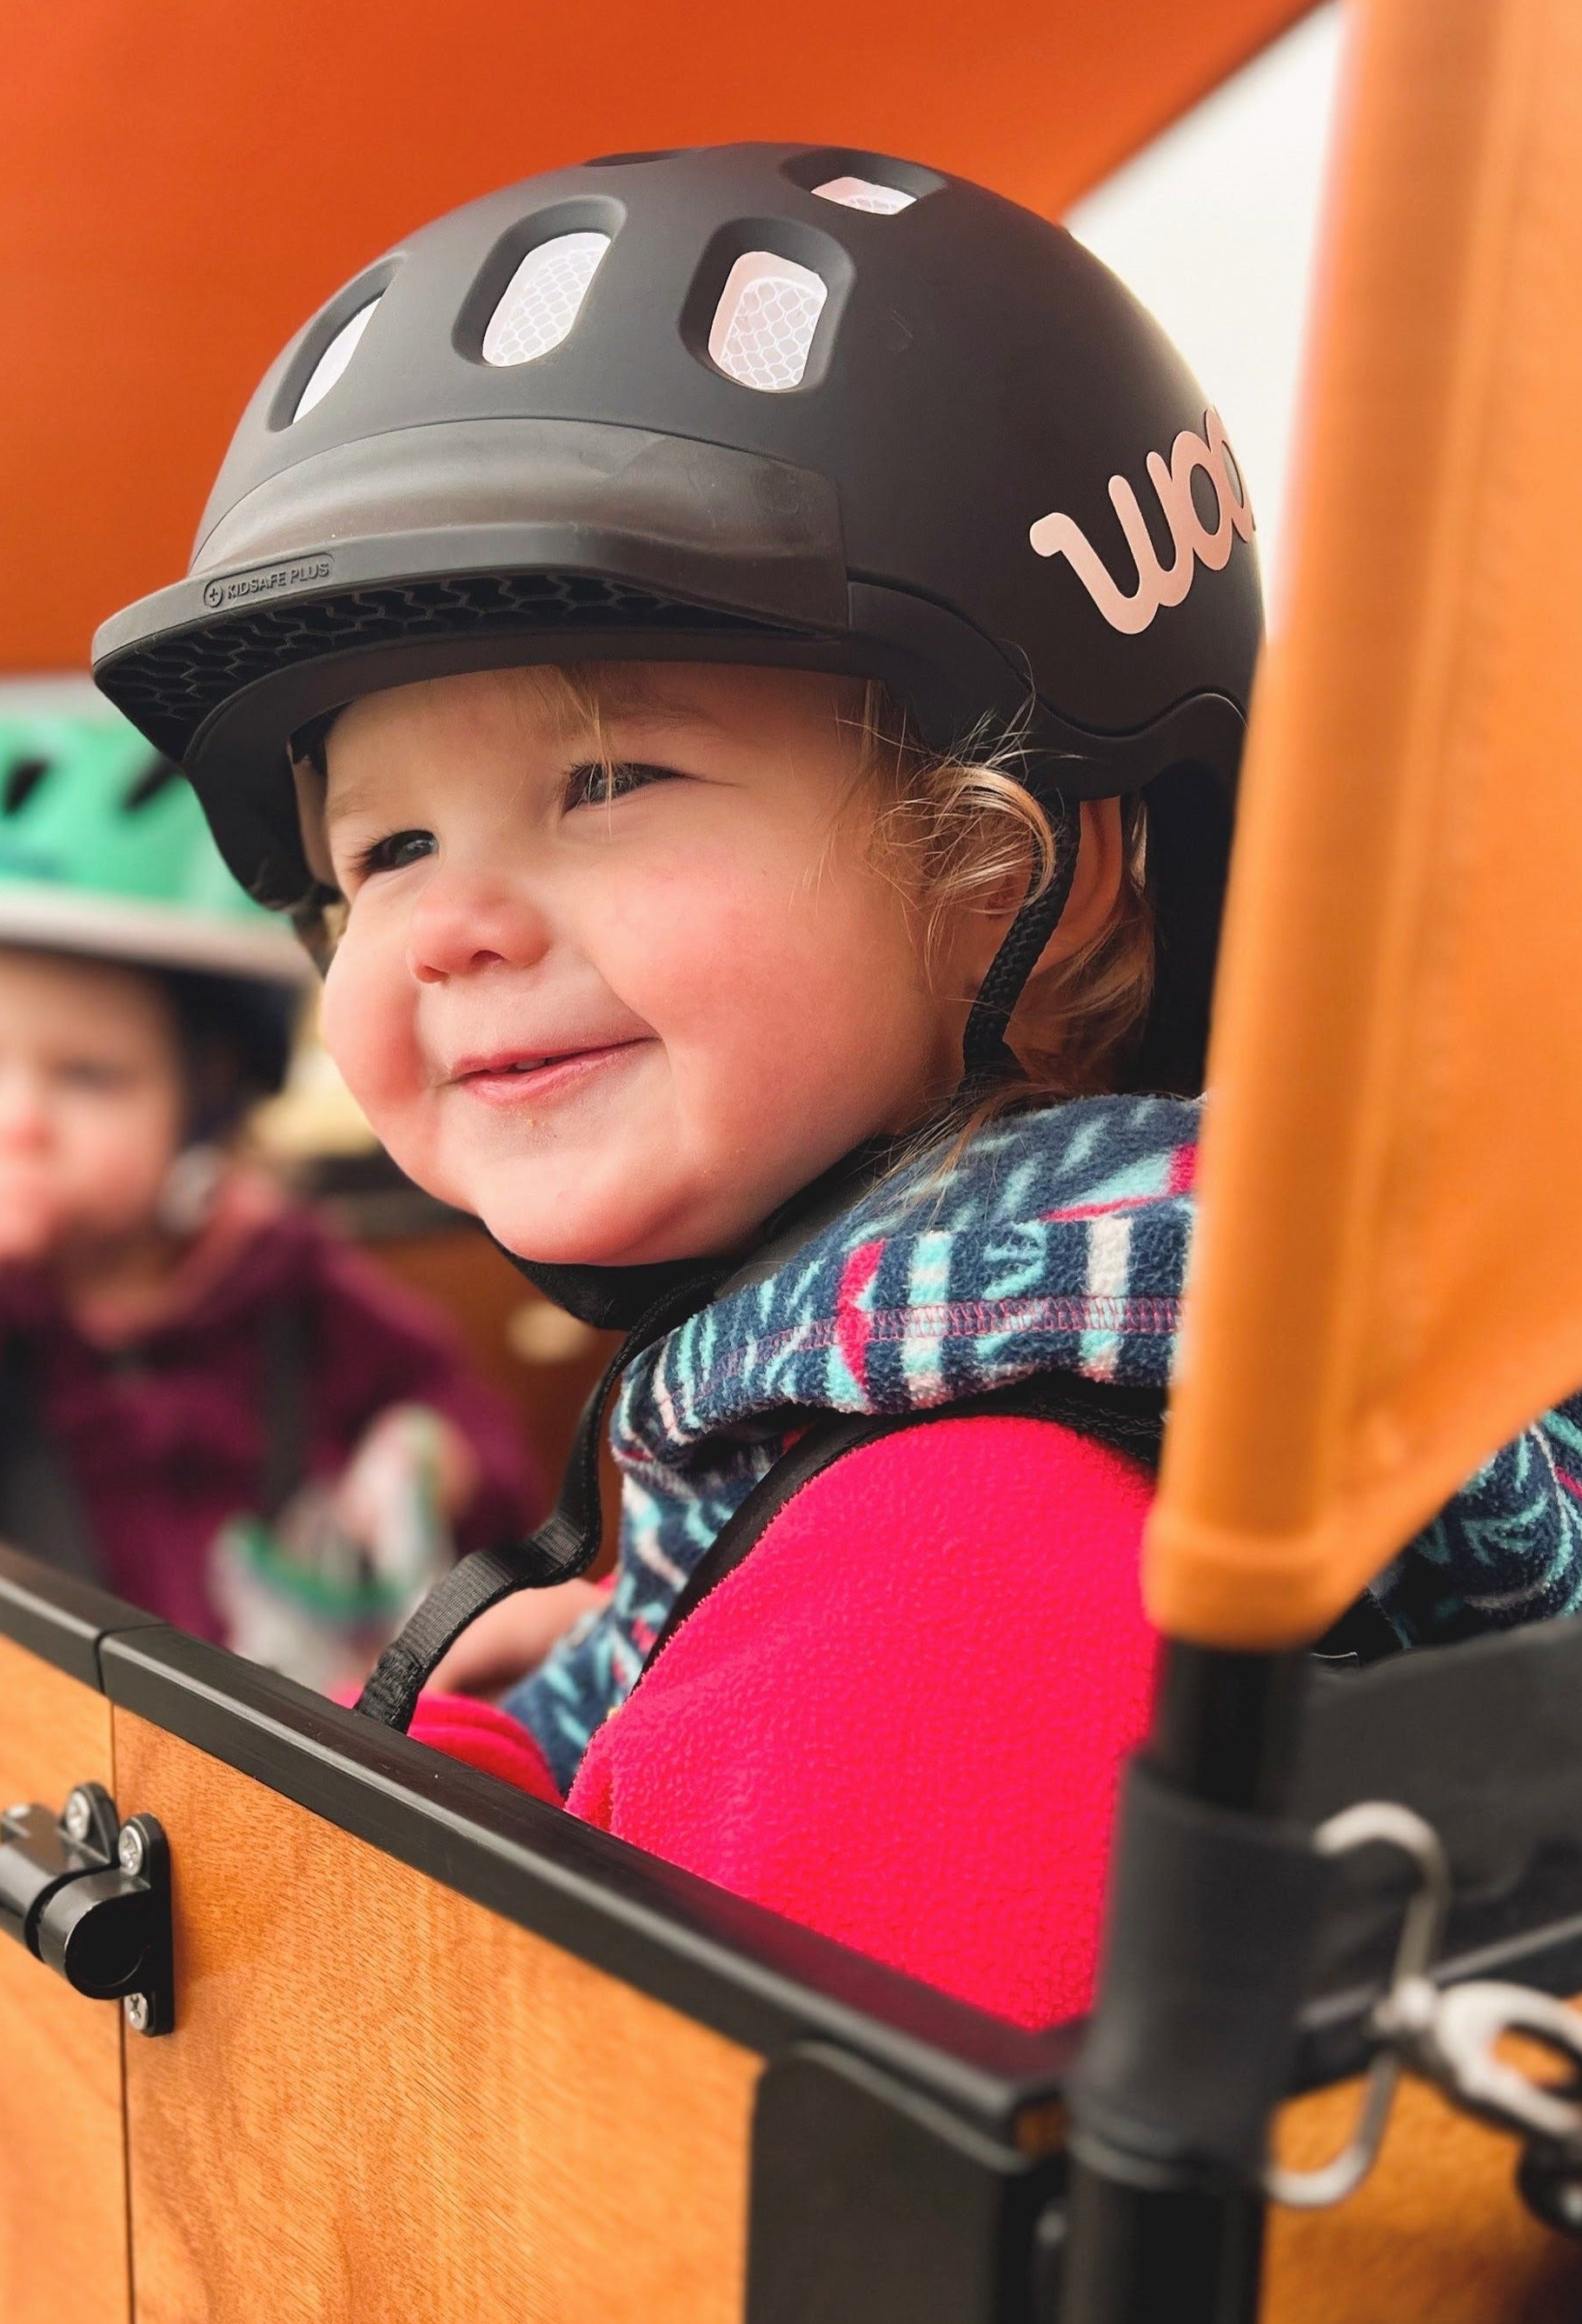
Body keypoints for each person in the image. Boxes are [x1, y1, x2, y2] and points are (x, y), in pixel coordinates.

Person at [90, 145, 1582, 2027]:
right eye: (382, 848)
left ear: (1024, 871)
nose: (447, 925)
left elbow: (627, 2199)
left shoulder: (946, 1578)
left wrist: (445, 1810)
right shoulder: (890, 1407)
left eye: (607, 781)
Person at [0, 711, 537, 1671]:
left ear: (208, 1102)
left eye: (88, 1078)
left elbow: (477, 1439)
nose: (17, 1122)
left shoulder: (281, 1281)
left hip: (276, 1745)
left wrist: (430, 1458)